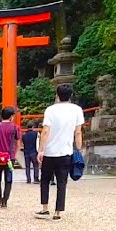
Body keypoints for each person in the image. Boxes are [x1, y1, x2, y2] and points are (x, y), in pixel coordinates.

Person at [37, 84, 84, 221]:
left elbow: (45, 131)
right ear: (70, 95)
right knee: (62, 182)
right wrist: (79, 150)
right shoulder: (76, 110)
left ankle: (45, 208)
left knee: (45, 180)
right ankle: (57, 212)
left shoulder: (50, 110)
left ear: (57, 95)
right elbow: (78, 132)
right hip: (66, 152)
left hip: (50, 152)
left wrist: (41, 150)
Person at [0, 106, 19, 208]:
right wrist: (16, 153)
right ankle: (5, 200)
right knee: (8, 178)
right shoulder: (15, 128)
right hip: (9, 156)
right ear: (11, 116)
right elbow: (17, 142)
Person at [21, 119, 40, 184]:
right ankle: (36, 178)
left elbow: (23, 143)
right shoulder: (36, 134)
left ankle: (28, 179)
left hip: (26, 151)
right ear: (33, 127)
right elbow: (38, 143)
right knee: (35, 165)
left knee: (27, 166)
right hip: (34, 151)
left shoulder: (24, 135)